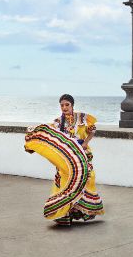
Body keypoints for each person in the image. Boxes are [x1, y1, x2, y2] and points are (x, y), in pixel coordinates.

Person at [23, 94, 104, 226]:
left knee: (88, 178)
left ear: (72, 105)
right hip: (66, 159)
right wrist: (34, 134)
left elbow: (92, 130)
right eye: (62, 105)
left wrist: (85, 142)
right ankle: (64, 214)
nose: (64, 107)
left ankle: (85, 211)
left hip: (83, 154)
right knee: (65, 181)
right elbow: (49, 135)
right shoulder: (57, 123)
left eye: (67, 105)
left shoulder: (82, 118)